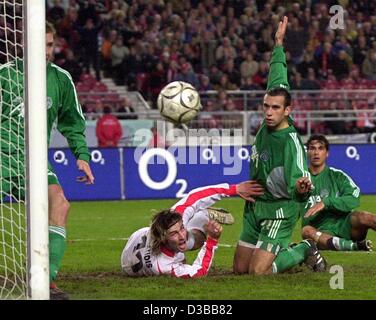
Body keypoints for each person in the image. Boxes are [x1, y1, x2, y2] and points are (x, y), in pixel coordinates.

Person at [0, 22, 94, 300]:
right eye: (40, 44)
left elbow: (73, 124)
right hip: (2, 156)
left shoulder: (61, 79)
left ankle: (46, 280)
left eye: (50, 45)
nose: (46, 51)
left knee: (60, 203)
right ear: (24, 44)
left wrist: (83, 157)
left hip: (35, 160)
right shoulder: (4, 76)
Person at [233, 17, 326, 276]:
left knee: (258, 273)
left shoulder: (291, 142)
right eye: (266, 106)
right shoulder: (274, 104)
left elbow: (298, 174)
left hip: (279, 210)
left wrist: (301, 186)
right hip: (255, 206)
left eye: (275, 108)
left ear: (288, 111)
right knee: (240, 270)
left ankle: (303, 249)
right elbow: (278, 73)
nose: (269, 112)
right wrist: (278, 44)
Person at [121, 181, 263, 277]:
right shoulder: (164, 266)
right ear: (163, 237)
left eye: (181, 228)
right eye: (174, 233)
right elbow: (199, 271)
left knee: (186, 240)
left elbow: (195, 196)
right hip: (129, 263)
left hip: (136, 241)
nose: (181, 235)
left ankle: (202, 215)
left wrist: (234, 189)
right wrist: (212, 240)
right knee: (191, 244)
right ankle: (202, 216)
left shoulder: (169, 220)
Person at [301, 134, 374, 251]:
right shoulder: (301, 179)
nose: (316, 152)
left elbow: (354, 198)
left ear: (327, 153)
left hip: (345, 225)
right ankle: (353, 246)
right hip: (320, 231)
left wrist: (327, 202)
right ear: (307, 152)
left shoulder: (337, 175)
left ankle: (348, 244)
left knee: (364, 216)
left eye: (320, 148)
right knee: (306, 231)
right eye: (312, 148)